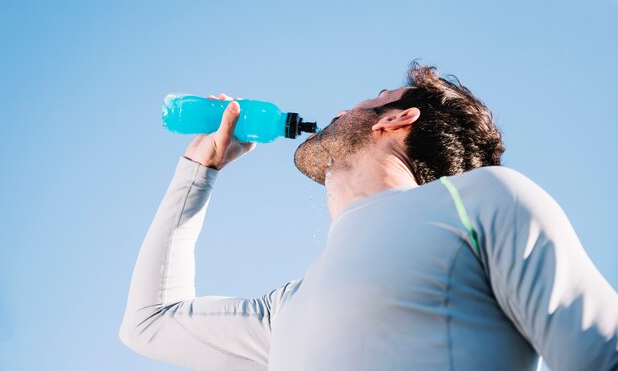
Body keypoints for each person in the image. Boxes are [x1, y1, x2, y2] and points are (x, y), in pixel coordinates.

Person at [120, 64, 618, 371]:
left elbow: (601, 353)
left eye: (370, 99)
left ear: (396, 118)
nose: (340, 109)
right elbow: (150, 323)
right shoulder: (287, 308)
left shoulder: (483, 200)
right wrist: (197, 169)